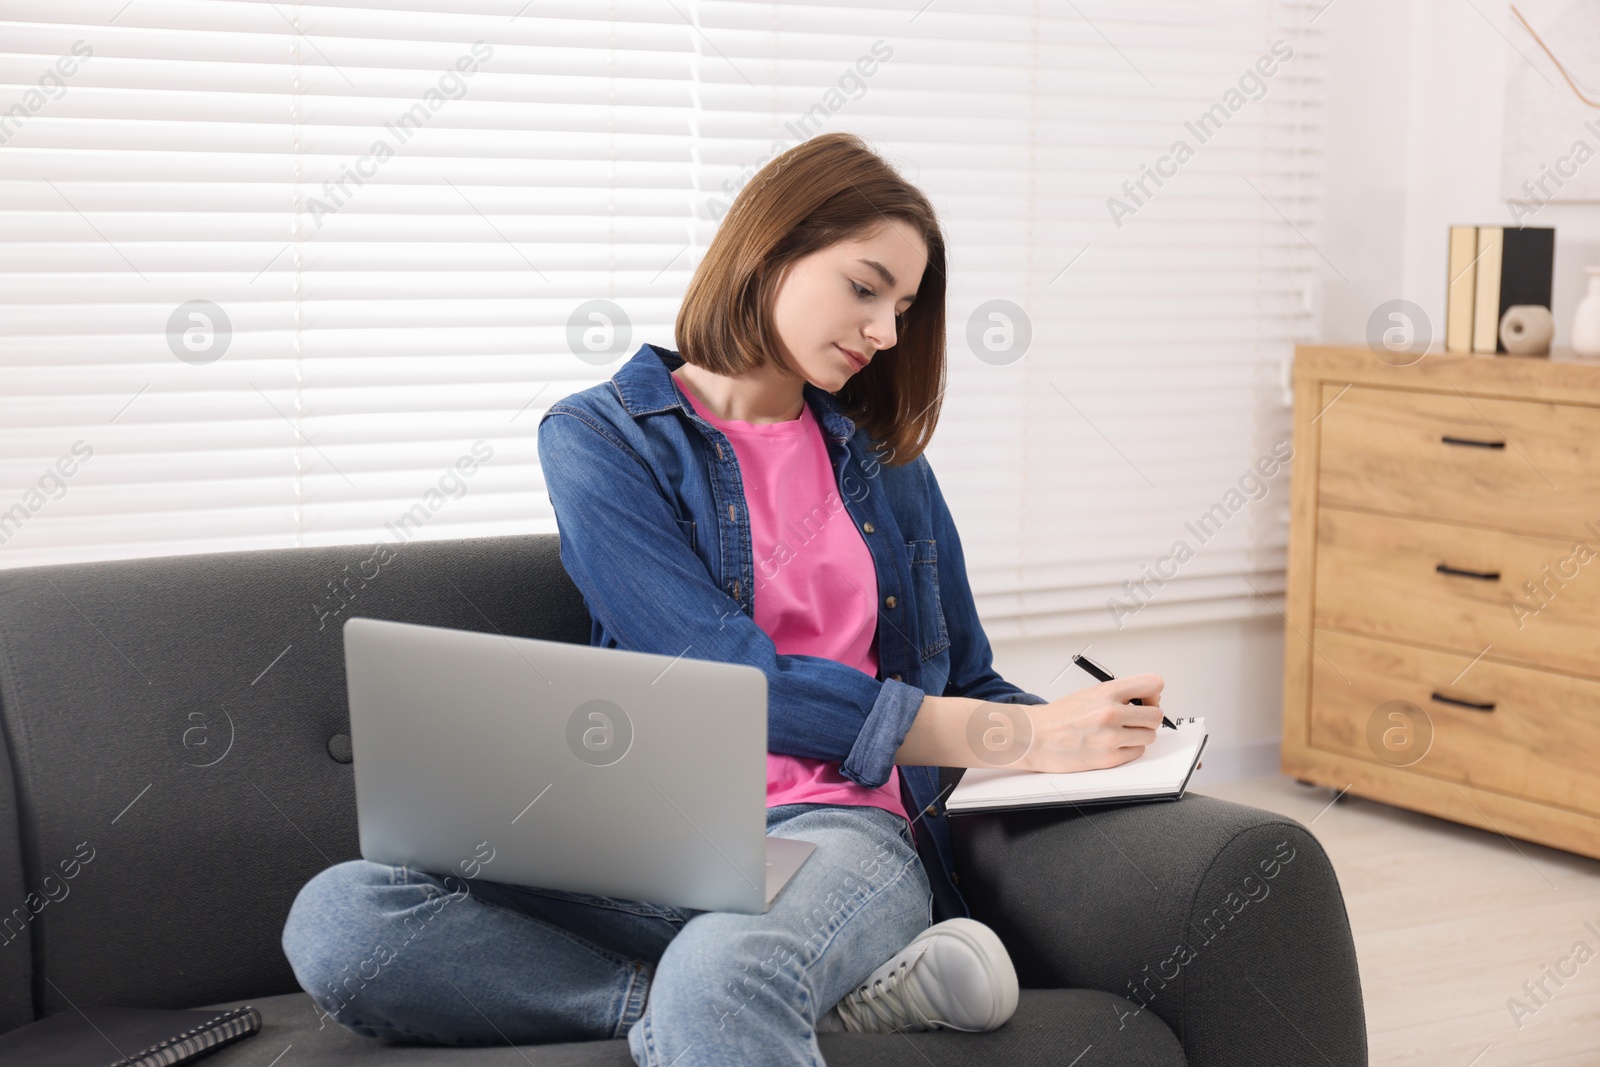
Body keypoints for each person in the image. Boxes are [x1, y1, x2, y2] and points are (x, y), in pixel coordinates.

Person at [280, 131, 1165, 1066]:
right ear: (771, 249)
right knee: (344, 916)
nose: (886, 333)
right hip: (651, 841)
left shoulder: (886, 464)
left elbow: (969, 679)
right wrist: (1013, 736)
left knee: (725, 967)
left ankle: (739, 990)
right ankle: (790, 1003)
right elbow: (715, 672)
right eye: (865, 288)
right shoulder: (602, 437)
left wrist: (1095, 733)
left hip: (842, 831)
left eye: (903, 308)